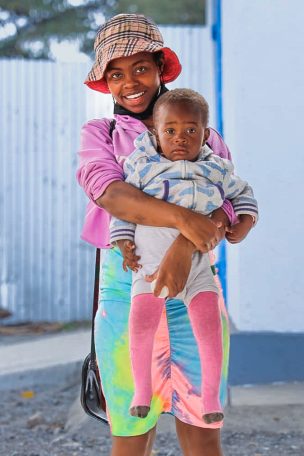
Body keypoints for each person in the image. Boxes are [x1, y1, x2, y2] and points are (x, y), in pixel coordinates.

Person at [77, 13, 240, 456]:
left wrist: (184, 248)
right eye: (116, 73)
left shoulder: (203, 135)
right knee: (131, 431)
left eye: (141, 68)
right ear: (105, 83)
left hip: (198, 281)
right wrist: (186, 221)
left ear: (160, 69)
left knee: (203, 430)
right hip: (125, 285)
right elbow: (112, 194)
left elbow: (224, 205)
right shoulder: (102, 134)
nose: (130, 82)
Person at [109, 88, 258, 425]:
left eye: (191, 130)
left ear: (205, 135)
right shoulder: (143, 167)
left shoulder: (216, 169)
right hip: (149, 266)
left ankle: (209, 397)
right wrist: (122, 240)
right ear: (155, 133)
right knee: (141, 325)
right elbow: (123, 207)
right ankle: (142, 391)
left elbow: (242, 192)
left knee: (209, 328)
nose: (180, 138)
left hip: (198, 269)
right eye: (170, 130)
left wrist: (246, 220)